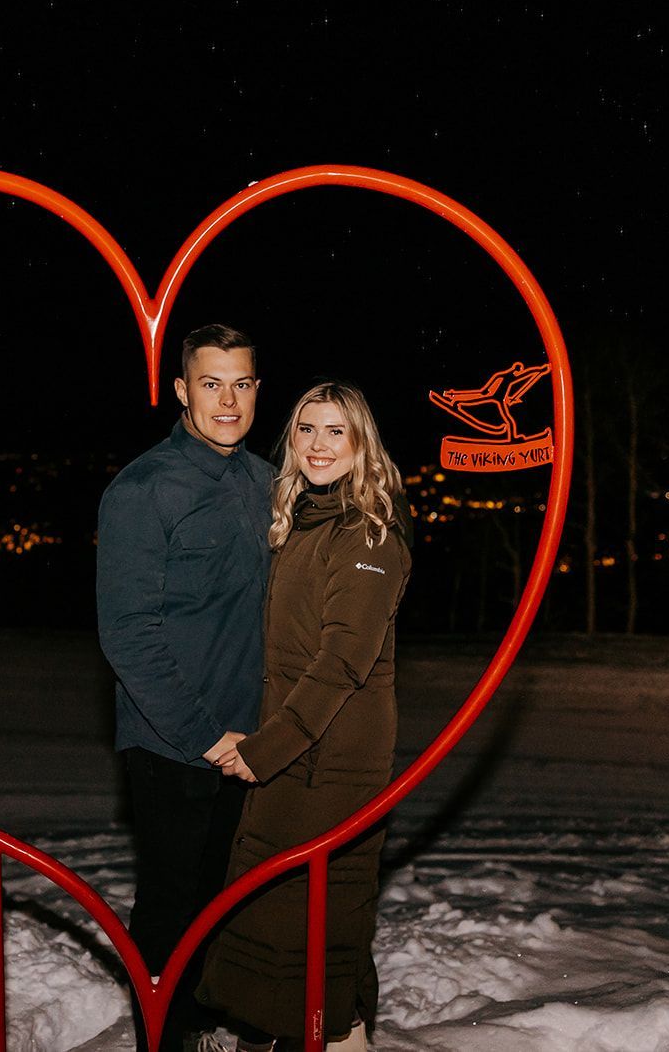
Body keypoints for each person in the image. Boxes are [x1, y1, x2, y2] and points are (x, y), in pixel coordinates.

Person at [199, 382, 412, 1052]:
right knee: (275, 916)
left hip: (333, 756)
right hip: (296, 744)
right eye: (306, 429)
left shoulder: (366, 533)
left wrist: (269, 747)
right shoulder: (305, 517)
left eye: (336, 432)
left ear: (361, 446)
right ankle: (271, 1036)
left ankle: (340, 1040)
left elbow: (342, 663)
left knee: (313, 922)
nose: (319, 444)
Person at [96, 324, 275, 1051]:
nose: (227, 399)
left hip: (253, 740)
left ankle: (206, 1022)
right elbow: (128, 634)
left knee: (228, 902)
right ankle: (165, 1039)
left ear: (258, 390)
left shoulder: (265, 481)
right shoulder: (143, 489)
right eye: (211, 382)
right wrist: (205, 735)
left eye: (241, 382)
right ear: (181, 390)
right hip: (175, 744)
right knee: (173, 906)